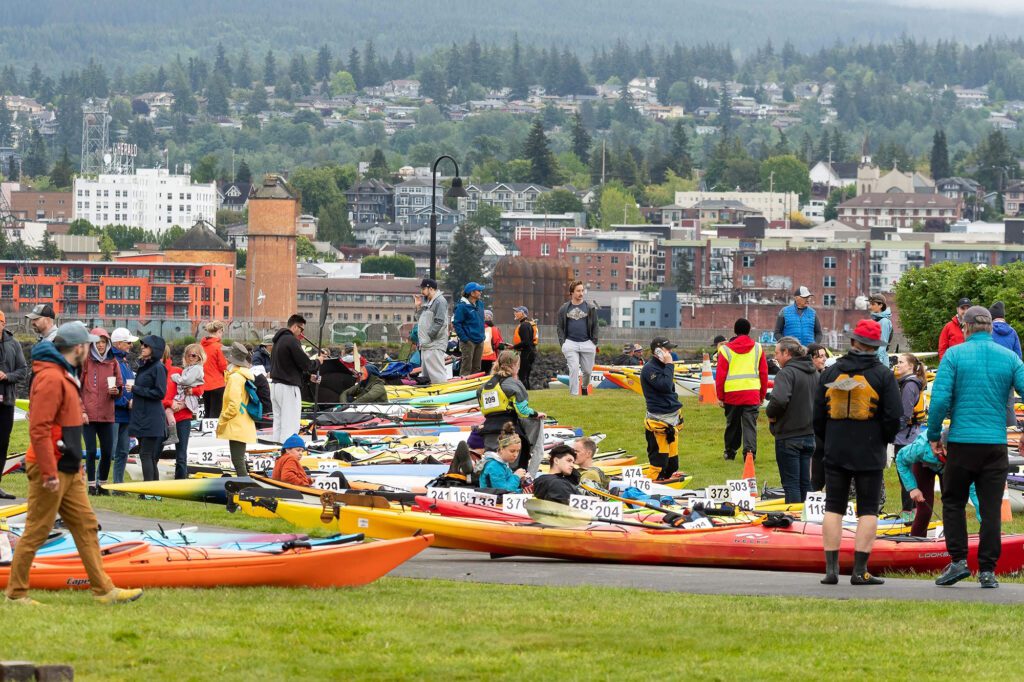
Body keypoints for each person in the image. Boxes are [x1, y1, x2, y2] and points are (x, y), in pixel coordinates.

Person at [4, 322, 142, 606]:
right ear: (78, 348)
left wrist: (75, 464)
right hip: (51, 467)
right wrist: (48, 470)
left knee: (86, 525)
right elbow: (39, 428)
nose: (91, 349)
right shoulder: (52, 378)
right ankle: (16, 593)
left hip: (67, 466)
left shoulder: (64, 374)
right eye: (88, 345)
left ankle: (104, 590)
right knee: (37, 530)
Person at [928, 306, 1024, 589]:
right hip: (995, 444)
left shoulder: (954, 355)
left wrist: (934, 434)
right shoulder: (1010, 358)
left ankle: (958, 561)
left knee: (954, 501)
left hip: (962, 441)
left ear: (965, 327)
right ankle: (987, 570)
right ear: (991, 328)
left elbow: (940, 399)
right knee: (991, 507)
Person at [814, 319, 901, 586]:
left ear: (853, 342)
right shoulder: (883, 375)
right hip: (869, 448)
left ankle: (831, 570)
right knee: (868, 510)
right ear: (877, 346)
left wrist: (829, 439)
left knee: (833, 507)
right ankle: (859, 570)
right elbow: (893, 417)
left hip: (835, 447)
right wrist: (882, 440)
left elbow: (817, 416)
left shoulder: (830, 373)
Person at [896, 429, 979, 538]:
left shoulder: (964, 456)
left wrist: (984, 522)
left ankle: (957, 543)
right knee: (924, 511)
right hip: (924, 465)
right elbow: (900, 459)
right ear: (942, 447)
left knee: (955, 506)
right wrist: (912, 488)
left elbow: (974, 490)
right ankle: (917, 544)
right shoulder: (921, 447)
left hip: (948, 469)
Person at [476, 350, 546, 477]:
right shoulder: (513, 384)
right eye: (518, 365)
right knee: (514, 465)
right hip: (509, 430)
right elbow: (522, 411)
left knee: (492, 464)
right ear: (514, 366)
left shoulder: (483, 388)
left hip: (488, 432)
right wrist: (535, 414)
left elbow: (484, 410)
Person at [765, 336, 817, 503]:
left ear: (787, 353)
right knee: (805, 483)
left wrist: (770, 414)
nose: (776, 357)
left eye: (777, 353)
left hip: (789, 436)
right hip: (810, 435)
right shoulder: (815, 373)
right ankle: (808, 521)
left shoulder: (786, 373)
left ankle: (793, 523)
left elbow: (779, 400)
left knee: (791, 484)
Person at [715, 318, 769, 461]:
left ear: (735, 331)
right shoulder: (758, 348)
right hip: (752, 393)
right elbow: (763, 373)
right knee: (750, 424)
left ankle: (730, 451)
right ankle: (750, 453)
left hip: (732, 395)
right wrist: (762, 394)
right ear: (749, 330)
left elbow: (720, 376)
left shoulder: (725, 350)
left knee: (732, 424)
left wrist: (720, 396)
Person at [270, 314, 327, 443]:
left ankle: (277, 448)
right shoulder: (291, 340)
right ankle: (290, 452)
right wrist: (318, 361)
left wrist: (307, 377)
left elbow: (290, 365)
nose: (302, 333)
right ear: (295, 327)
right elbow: (306, 364)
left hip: (276, 387)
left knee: (278, 422)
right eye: (301, 329)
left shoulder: (278, 341)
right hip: (288, 388)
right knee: (291, 423)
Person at [81, 328, 122, 494]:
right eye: (97, 342)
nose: (100, 346)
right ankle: (91, 485)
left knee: (107, 452)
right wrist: (82, 411)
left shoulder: (113, 362)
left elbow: (119, 386)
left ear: (107, 343)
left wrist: (117, 392)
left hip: (107, 414)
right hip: (88, 416)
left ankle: (103, 485)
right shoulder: (85, 361)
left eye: (103, 342)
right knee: (90, 451)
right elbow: (77, 387)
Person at [641, 337, 683, 482]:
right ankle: (651, 483)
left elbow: (670, 390)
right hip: (657, 422)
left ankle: (665, 481)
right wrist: (669, 364)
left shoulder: (664, 367)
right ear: (657, 351)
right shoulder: (649, 369)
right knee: (659, 464)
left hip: (671, 421)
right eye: (667, 350)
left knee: (673, 464)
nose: (670, 352)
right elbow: (664, 385)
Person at [163, 343, 206, 479]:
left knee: (181, 454)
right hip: (164, 416)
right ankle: (151, 481)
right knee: (155, 453)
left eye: (194, 355)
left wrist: (192, 391)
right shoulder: (182, 371)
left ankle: (180, 480)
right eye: (189, 355)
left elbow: (200, 389)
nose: (191, 357)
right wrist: (170, 403)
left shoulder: (180, 371)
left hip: (183, 417)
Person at [128, 335, 168, 483]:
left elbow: (160, 393)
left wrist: (135, 389)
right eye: (142, 345)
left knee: (146, 454)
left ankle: (149, 491)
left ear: (154, 349)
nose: (142, 348)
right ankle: (154, 492)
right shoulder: (145, 366)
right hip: (141, 415)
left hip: (152, 417)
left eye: (146, 346)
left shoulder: (158, 367)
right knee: (148, 455)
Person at [893, 353, 927, 519]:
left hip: (905, 438)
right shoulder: (911, 383)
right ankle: (912, 514)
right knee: (908, 478)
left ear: (910, 366)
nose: (897, 365)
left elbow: (905, 415)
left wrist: (890, 432)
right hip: (909, 436)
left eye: (900, 362)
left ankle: (908, 516)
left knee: (905, 479)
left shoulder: (909, 386)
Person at [218, 342, 258, 476]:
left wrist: (222, 420)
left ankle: (246, 488)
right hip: (242, 422)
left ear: (230, 359)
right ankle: (245, 486)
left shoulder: (235, 377)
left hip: (236, 423)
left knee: (238, 460)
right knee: (238, 459)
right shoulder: (241, 375)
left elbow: (233, 405)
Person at [0, 311, 27, 499]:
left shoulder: (13, 343)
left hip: (6, 401)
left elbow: (23, 370)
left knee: (2, 444)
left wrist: (7, 376)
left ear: (4, 323)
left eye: (0, 322)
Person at [557, 280, 599, 396]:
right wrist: (563, 343)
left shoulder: (590, 308)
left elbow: (596, 325)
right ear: (572, 292)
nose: (581, 293)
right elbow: (559, 327)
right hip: (570, 343)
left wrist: (594, 342)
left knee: (587, 371)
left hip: (587, 343)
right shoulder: (564, 309)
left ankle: (584, 387)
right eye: (578, 291)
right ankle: (574, 395)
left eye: (582, 290)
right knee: (574, 368)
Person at [109, 327, 137, 484]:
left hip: (126, 414)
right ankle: (99, 483)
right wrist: (126, 403)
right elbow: (109, 389)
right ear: (118, 343)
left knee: (123, 452)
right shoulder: (111, 361)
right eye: (127, 342)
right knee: (110, 452)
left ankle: (117, 484)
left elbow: (127, 386)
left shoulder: (125, 362)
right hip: (114, 413)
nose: (130, 345)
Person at [989, 301, 1021, 428]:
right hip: (1009, 375)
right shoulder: (1013, 332)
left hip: (991, 376)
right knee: (1009, 406)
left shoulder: (989, 331)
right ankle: (1012, 432)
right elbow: (1018, 357)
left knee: (991, 404)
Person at [416, 278, 449, 385]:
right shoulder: (428, 302)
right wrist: (418, 307)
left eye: (423, 288)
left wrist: (430, 336)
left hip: (434, 344)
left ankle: (442, 394)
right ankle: (428, 393)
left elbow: (440, 322)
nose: (421, 291)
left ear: (431, 288)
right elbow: (419, 319)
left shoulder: (440, 301)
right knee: (427, 376)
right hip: (426, 345)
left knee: (437, 374)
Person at [477, 422, 526, 493]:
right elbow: (503, 491)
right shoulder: (494, 466)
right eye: (512, 451)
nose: (515, 455)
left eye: (518, 451)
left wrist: (523, 489)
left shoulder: (502, 463)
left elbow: (507, 485)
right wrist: (516, 476)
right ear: (502, 449)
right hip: (494, 501)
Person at [807, 342, 829, 492]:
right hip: (810, 426)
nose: (823, 359)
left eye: (824, 356)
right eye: (820, 356)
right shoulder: (809, 377)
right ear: (811, 358)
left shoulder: (825, 376)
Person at [453, 282, 486, 376]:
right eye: (479, 291)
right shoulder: (461, 306)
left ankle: (474, 389)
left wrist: (482, 336)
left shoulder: (480, 304)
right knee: (466, 367)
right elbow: (457, 324)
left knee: (477, 367)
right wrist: (465, 339)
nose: (481, 292)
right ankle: (463, 388)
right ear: (472, 293)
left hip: (480, 340)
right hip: (468, 342)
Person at [200, 321, 228, 418]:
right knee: (216, 412)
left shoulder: (201, 346)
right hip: (217, 384)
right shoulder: (218, 347)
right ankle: (215, 432)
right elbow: (223, 366)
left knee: (207, 411)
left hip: (204, 384)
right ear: (219, 331)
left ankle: (205, 431)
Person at [511, 306, 538, 389]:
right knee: (525, 376)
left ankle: (524, 394)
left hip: (527, 353)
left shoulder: (524, 325)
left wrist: (513, 347)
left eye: (517, 311)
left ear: (522, 313)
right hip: (531, 351)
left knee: (523, 376)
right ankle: (528, 393)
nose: (514, 313)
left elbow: (526, 342)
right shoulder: (528, 324)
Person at [868, 293, 893, 368]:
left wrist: (878, 365)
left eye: (873, 304)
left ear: (880, 305)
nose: (870, 307)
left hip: (879, 363)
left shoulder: (884, 321)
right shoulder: (876, 321)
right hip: (873, 360)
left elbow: (882, 344)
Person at [480, 310, 504, 374]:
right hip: (490, 357)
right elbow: (498, 344)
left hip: (477, 356)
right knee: (488, 375)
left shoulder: (477, 328)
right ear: (491, 318)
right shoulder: (494, 329)